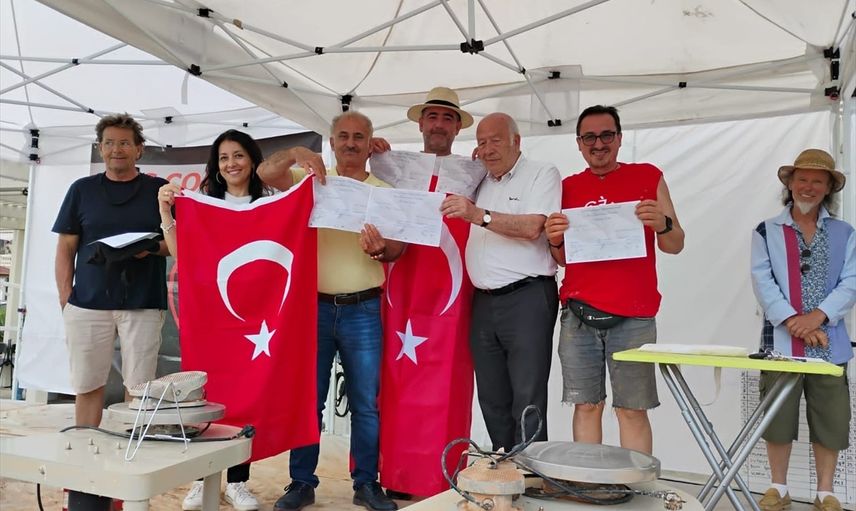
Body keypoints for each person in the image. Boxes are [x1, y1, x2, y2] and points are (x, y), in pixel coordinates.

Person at [258, 111, 403, 511]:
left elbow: (398, 248)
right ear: (332, 141)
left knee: (365, 404)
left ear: (370, 143)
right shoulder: (311, 180)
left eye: (359, 136)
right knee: (309, 402)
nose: (351, 143)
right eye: (343, 136)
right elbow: (266, 173)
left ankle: (366, 483)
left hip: (364, 308)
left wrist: (382, 250)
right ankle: (301, 482)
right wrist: (296, 151)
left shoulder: (383, 190)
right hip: (313, 309)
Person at [544, 105, 685, 455]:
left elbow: (675, 244)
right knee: (586, 405)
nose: (598, 144)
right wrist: (554, 239)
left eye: (607, 135)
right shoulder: (566, 187)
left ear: (620, 138)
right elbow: (563, 259)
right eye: (589, 137)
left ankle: (635, 483)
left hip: (634, 315)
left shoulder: (648, 176)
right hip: (578, 314)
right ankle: (590, 482)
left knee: (632, 410)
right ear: (579, 143)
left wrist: (662, 224)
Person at [371, 86, 477, 499]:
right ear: (420, 123)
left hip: (453, 295)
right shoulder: (390, 163)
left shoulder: (475, 171)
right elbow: (355, 171)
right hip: (401, 291)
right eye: (432, 116)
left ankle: (442, 477)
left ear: (457, 127)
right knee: (397, 382)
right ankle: (396, 476)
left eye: (448, 118)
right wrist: (373, 149)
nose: (439, 124)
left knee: (448, 382)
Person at [158, 129, 265, 510]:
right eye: (223, 158)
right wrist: (166, 212)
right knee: (207, 396)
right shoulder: (204, 206)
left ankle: (237, 481)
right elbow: (181, 254)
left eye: (238, 155)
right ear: (216, 167)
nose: (231, 164)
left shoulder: (270, 204)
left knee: (246, 398)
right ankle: (202, 479)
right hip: (212, 317)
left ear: (252, 160)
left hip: (257, 320)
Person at [440, 112, 560, 451]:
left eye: (495, 141)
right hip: (483, 300)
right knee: (491, 394)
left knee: (528, 393)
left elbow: (534, 227)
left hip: (527, 297)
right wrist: (382, 153)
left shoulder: (542, 173)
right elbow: (431, 168)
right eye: (481, 143)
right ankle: (505, 463)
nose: (488, 149)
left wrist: (478, 215)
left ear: (516, 141)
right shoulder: (479, 177)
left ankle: (531, 468)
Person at [750, 148, 854, 511]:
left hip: (830, 342)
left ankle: (826, 492)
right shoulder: (766, 230)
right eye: (803, 179)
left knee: (831, 417)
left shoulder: (845, 232)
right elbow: (763, 281)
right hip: (780, 341)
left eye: (818, 181)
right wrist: (794, 321)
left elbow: (851, 281)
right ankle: (778, 487)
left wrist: (818, 317)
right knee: (777, 416)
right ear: (790, 184)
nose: (809, 187)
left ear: (828, 189)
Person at [53, 113, 169, 428]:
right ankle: (83, 451)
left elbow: (177, 243)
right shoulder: (82, 190)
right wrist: (66, 297)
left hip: (143, 302)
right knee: (88, 385)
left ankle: (128, 454)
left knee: (140, 389)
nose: (116, 150)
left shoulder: (159, 189)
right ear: (100, 148)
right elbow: (66, 247)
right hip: (87, 303)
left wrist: (151, 248)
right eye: (109, 143)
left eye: (124, 143)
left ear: (139, 149)